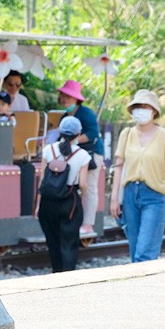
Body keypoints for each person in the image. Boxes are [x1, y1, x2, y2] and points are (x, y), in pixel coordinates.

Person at [109, 90, 165, 262]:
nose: (141, 110)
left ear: (154, 111)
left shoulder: (164, 136)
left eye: (145, 106)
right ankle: (139, 287)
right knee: (135, 250)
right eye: (137, 107)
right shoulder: (126, 134)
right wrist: (114, 199)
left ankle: (143, 287)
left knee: (145, 252)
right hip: (129, 194)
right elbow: (118, 167)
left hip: (154, 196)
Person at [36, 116, 90, 272]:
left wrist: (38, 205)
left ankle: (56, 273)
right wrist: (83, 198)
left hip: (47, 200)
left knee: (52, 241)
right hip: (70, 201)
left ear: (60, 132)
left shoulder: (48, 150)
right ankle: (67, 276)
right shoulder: (83, 155)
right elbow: (83, 184)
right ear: (78, 134)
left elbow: (42, 179)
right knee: (69, 242)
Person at [56, 80, 104, 237]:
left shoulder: (86, 113)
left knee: (89, 188)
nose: (64, 99)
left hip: (91, 155)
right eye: (63, 95)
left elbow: (92, 134)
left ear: (76, 99)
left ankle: (88, 224)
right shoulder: (65, 115)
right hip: (74, 156)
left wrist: (73, 140)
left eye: (68, 96)